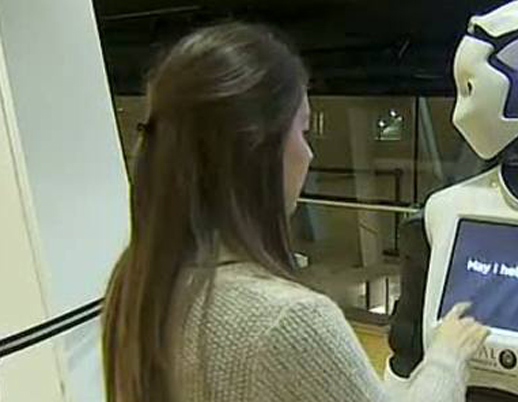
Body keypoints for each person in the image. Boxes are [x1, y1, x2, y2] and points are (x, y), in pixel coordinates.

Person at [101, 22, 489, 402]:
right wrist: (447, 357)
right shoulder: (288, 322)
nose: (310, 153)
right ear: (259, 146)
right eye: (303, 131)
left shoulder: (136, 283)